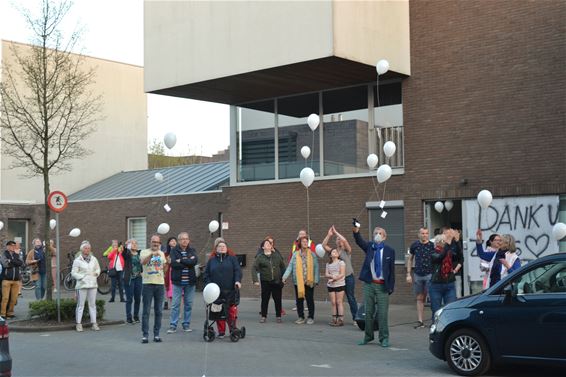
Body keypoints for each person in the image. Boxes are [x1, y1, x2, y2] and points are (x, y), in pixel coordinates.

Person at [353, 226, 395, 347]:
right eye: (376, 233)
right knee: (368, 311)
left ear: (384, 237)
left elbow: (392, 271)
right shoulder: (370, 247)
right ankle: (368, 336)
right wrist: (356, 231)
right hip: (369, 284)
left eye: (380, 233)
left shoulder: (389, 250)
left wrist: (391, 287)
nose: (377, 234)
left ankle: (384, 338)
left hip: (382, 286)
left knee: (382, 313)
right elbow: (359, 241)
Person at [204, 238, 242, 338]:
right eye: (219, 247)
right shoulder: (211, 260)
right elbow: (206, 274)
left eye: (223, 246)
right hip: (216, 292)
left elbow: (238, 271)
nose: (222, 248)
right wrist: (208, 285)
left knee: (231, 311)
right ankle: (221, 331)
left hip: (230, 290)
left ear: (227, 248)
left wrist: (237, 281)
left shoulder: (232, 259)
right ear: (216, 248)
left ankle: (232, 329)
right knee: (218, 311)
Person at [322, 225, 357, 325]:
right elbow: (324, 245)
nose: (339, 240)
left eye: (340, 238)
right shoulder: (334, 252)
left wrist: (336, 232)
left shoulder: (347, 251)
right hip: (337, 280)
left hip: (348, 277)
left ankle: (356, 318)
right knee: (337, 301)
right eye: (337, 239)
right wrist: (329, 235)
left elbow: (345, 241)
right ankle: (337, 318)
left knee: (350, 297)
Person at [282, 236, 319, 325]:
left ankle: (310, 317)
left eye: (306, 242)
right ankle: (301, 317)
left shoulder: (312, 254)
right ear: (300, 243)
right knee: (299, 300)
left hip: (309, 281)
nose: (305, 243)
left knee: (310, 299)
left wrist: (316, 279)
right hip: (298, 281)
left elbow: (316, 267)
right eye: (303, 242)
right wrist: (284, 277)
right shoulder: (295, 254)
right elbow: (290, 266)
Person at [167, 232, 198, 333]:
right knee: (175, 304)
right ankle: (173, 325)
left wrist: (181, 260)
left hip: (190, 282)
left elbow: (194, 262)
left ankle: (186, 324)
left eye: (186, 239)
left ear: (189, 240)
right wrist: (187, 261)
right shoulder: (174, 251)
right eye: (182, 239)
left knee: (188, 304)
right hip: (178, 282)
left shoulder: (192, 250)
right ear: (179, 241)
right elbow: (174, 264)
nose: (185, 240)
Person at [429, 231, 463, 320]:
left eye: (446, 241)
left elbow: (460, 257)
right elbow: (440, 257)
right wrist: (448, 243)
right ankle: (436, 329)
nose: (447, 243)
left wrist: (457, 241)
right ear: (438, 243)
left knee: (451, 309)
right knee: (436, 310)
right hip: (436, 285)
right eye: (444, 241)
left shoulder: (449, 253)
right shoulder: (433, 253)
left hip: (449, 284)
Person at [140, 234, 166, 343]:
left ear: (159, 243)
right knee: (146, 310)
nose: (155, 244)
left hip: (160, 284)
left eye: (157, 242)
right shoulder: (144, 252)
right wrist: (152, 255)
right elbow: (143, 262)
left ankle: (156, 335)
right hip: (147, 284)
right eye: (153, 241)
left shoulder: (162, 253)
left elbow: (163, 267)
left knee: (159, 311)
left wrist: (167, 263)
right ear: (150, 242)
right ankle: (145, 335)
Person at [253, 239, 286, 323]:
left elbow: (283, 267)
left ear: (271, 246)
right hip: (265, 282)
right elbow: (254, 268)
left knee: (278, 299)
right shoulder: (260, 257)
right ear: (263, 247)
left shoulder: (277, 256)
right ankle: (264, 316)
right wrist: (255, 280)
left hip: (276, 281)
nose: (268, 245)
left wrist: (283, 278)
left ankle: (278, 316)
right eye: (266, 244)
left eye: (270, 244)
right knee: (265, 299)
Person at [406, 228, 434, 328]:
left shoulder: (432, 245)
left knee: (432, 298)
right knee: (419, 298)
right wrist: (408, 273)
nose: (424, 235)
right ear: (419, 234)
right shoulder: (414, 245)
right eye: (422, 233)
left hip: (430, 274)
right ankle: (420, 321)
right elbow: (410, 259)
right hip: (418, 274)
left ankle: (434, 320)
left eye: (426, 233)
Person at [72, 241, 101, 332]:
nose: (87, 250)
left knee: (92, 305)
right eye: (85, 248)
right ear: (81, 249)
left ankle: (94, 323)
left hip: (92, 284)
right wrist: (82, 277)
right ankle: (78, 324)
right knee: (80, 305)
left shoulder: (94, 259)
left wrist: (96, 273)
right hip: (82, 285)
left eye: (88, 248)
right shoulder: (77, 260)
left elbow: (98, 268)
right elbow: (73, 273)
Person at [0, 240, 24, 318]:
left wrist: (12, 260)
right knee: (5, 298)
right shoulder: (4, 254)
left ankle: (10, 313)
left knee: (13, 299)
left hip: (16, 280)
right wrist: (15, 262)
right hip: (6, 280)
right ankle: (3, 314)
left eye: (14, 245)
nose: (13, 247)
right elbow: (5, 264)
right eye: (11, 245)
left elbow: (21, 263)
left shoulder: (17, 254)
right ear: (7, 247)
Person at [123, 239, 142, 324]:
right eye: (132, 243)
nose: (134, 245)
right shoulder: (127, 254)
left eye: (135, 243)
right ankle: (129, 317)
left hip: (138, 278)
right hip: (130, 278)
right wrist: (126, 247)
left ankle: (136, 316)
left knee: (137, 298)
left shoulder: (140, 253)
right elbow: (123, 253)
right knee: (129, 299)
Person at [325, 248, 346, 326]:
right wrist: (331, 276)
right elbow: (326, 274)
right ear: (330, 255)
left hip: (340, 284)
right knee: (333, 302)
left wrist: (334, 278)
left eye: (336, 251)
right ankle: (334, 319)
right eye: (333, 251)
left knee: (339, 301)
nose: (335, 252)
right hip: (330, 285)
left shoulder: (341, 263)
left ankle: (340, 319)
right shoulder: (328, 264)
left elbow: (342, 274)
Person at [164, 237, 177, 310]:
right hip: (169, 274)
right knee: (171, 293)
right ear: (169, 243)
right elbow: (164, 264)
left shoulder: (179, 251)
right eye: (172, 241)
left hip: (178, 272)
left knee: (180, 294)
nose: (174, 242)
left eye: (175, 241)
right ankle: (174, 309)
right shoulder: (166, 254)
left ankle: (179, 310)